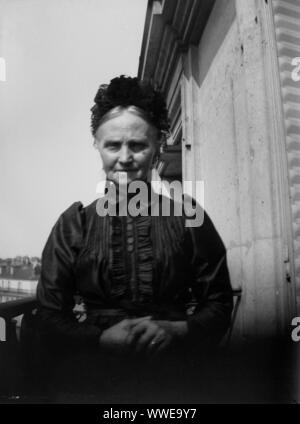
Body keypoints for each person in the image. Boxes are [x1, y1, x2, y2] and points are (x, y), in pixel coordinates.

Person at [32, 75, 233, 402]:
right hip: (93, 383)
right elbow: (50, 316)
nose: (124, 157)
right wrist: (99, 339)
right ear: (98, 147)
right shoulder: (75, 224)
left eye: (138, 145)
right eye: (113, 145)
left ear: (156, 149)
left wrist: (179, 330)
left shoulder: (188, 218)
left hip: (174, 383)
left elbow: (220, 302)